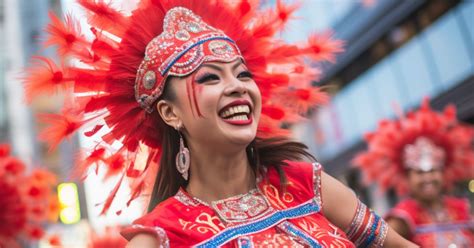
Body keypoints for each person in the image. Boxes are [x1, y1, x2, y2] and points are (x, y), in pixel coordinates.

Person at [23, 0, 415, 247]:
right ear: (170, 113)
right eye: (210, 78)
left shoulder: (304, 184)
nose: (238, 88)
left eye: (242, 75)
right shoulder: (159, 237)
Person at [354, 99, 474, 247]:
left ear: (443, 173)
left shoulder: (461, 208)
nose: (428, 178)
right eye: (419, 172)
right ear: (407, 177)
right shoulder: (403, 217)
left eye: (433, 170)